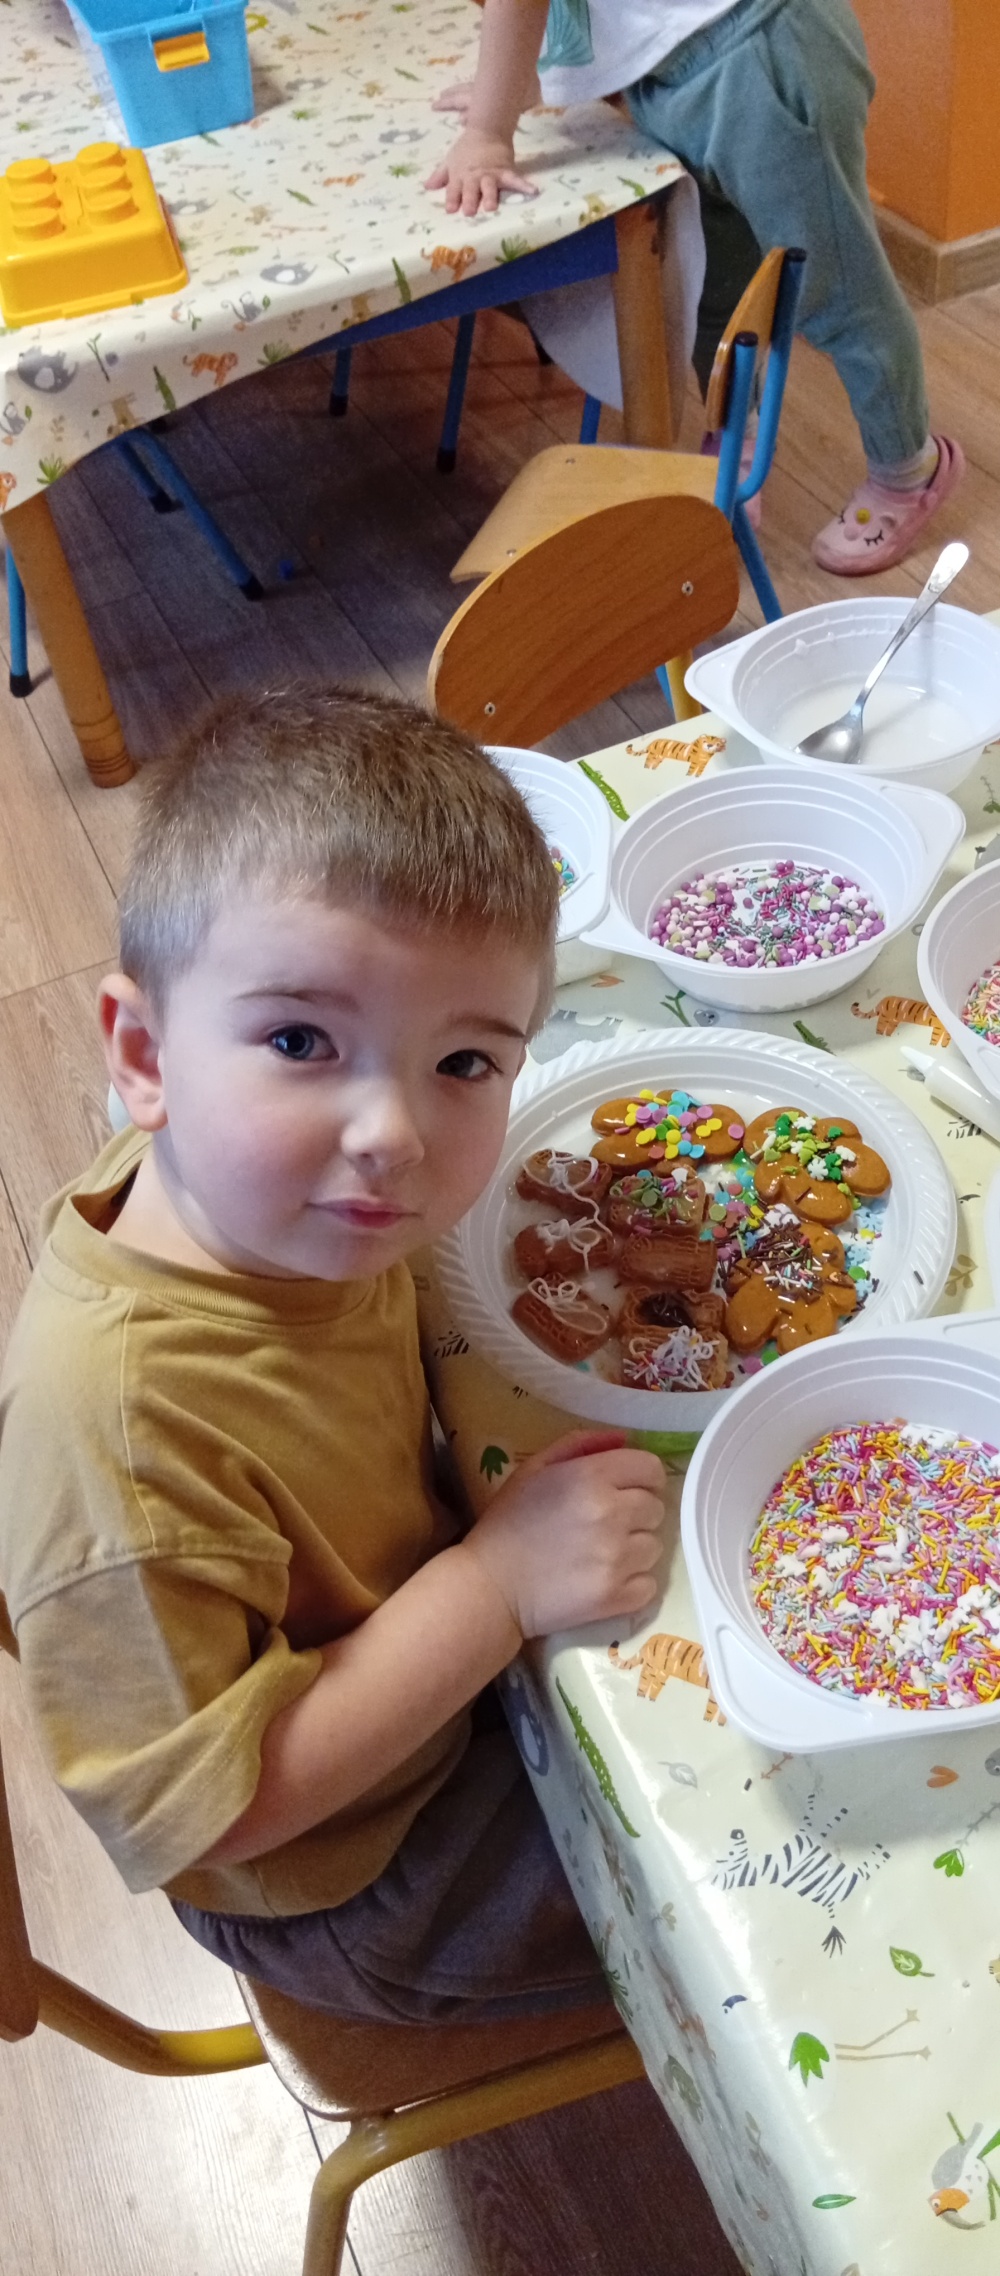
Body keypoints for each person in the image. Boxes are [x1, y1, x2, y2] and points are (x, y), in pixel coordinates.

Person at [0, 687, 666, 2025]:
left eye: (464, 1061)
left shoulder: (266, 1199)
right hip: (370, 1876)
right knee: (739, 1863)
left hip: (421, 1655)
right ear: (144, 1055)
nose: (393, 1137)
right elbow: (206, 1814)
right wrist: (494, 1585)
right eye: (302, 1042)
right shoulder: (119, 1435)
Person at [427, 0, 964, 575]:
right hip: (672, 72)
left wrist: (488, 129)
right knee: (713, 280)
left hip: (762, 52)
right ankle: (738, 434)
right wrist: (514, 86)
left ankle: (908, 468)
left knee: (838, 294)